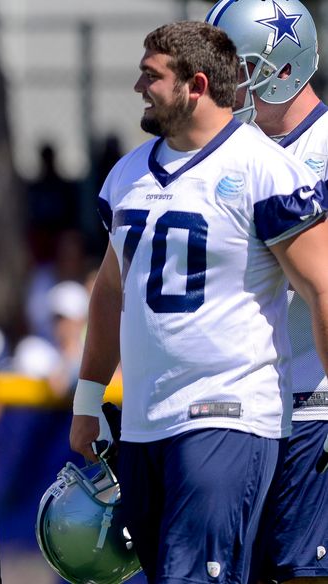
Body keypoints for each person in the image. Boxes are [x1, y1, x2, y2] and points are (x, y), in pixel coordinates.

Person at [68, 21, 328, 584]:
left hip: (229, 414)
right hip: (143, 421)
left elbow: (321, 287)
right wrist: (88, 399)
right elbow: (111, 290)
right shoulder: (126, 175)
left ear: (197, 84)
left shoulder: (265, 169)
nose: (138, 87)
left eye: (151, 75)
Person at [207, 1, 328, 582]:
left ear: (285, 66)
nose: (227, 85)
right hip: (244, 411)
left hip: (313, 401)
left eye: (241, 66)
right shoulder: (234, 153)